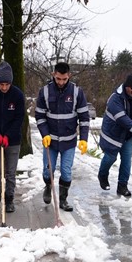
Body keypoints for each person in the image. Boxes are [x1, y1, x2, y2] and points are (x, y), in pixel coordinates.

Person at [35, 62, 90, 212]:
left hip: (69, 141)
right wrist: (45, 134)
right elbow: (39, 116)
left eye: (64, 79)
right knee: (48, 170)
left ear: (69, 76)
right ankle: (48, 185)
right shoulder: (45, 92)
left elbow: (84, 117)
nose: (61, 82)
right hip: (51, 141)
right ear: (53, 74)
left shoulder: (77, 92)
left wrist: (83, 139)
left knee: (66, 171)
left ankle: (63, 200)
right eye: (58, 78)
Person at [98, 73, 132, 197]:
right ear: (126, 86)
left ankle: (122, 186)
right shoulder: (115, 98)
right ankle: (102, 175)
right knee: (111, 157)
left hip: (130, 134)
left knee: (127, 160)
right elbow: (122, 119)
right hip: (114, 133)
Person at [0, 61, 25, 213]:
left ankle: (9, 199)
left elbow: (19, 118)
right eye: (1, 84)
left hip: (13, 141)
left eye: (7, 84)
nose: (4, 87)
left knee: (11, 172)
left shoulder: (18, 95)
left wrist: (8, 135)